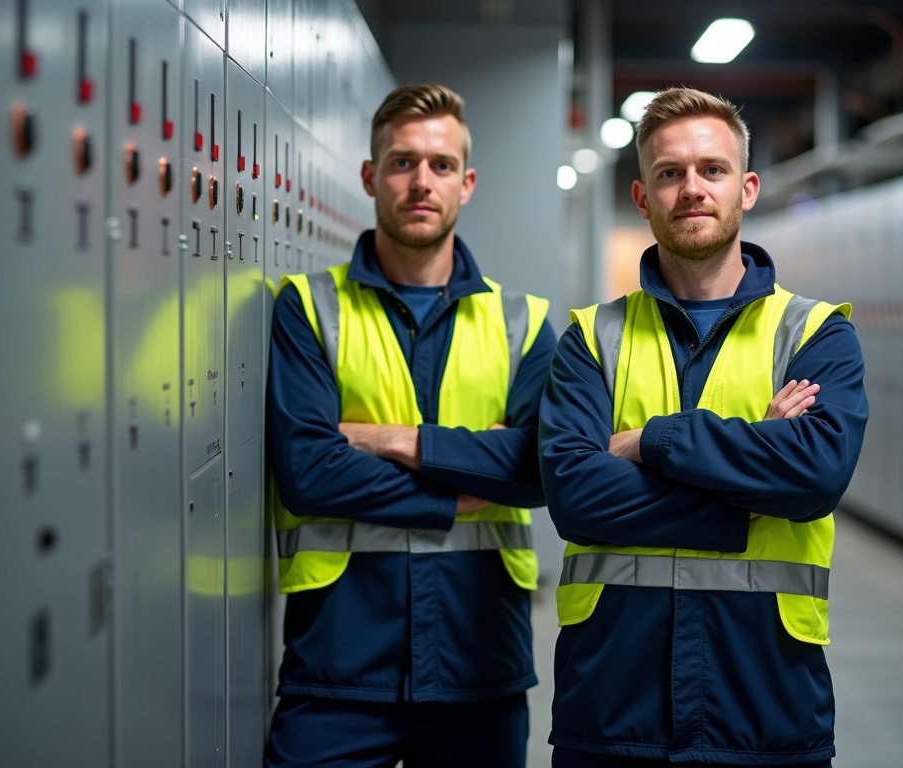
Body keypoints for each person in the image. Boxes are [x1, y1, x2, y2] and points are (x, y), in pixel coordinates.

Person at [538, 87, 868, 767]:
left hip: (764, 706)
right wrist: (748, 492)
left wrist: (651, 442)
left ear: (746, 188)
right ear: (642, 197)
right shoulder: (590, 339)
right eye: (670, 173)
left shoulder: (815, 334)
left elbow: (813, 477)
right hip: (611, 707)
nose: (692, 188)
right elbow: (575, 496)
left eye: (711, 170)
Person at [264, 83, 555, 768]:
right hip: (337, 663)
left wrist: (392, 439)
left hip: (478, 664)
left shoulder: (526, 324)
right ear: (370, 176)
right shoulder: (308, 308)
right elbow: (308, 473)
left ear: (468, 182)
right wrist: (464, 486)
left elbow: (539, 468)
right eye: (401, 162)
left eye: (440, 164)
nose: (421, 181)